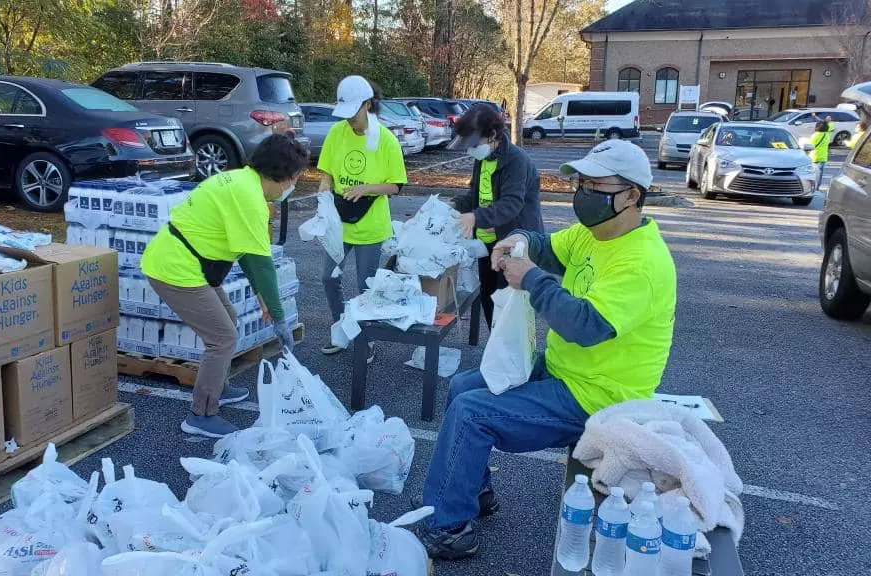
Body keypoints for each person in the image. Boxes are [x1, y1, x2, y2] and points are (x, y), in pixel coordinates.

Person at [414, 140, 677, 560]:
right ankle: (470, 494)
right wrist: (519, 239)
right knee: (463, 386)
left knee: (472, 413)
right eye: (582, 183)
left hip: (600, 396)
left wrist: (532, 278)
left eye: (596, 185)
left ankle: (449, 529)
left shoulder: (643, 262)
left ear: (632, 196)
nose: (583, 193)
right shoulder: (594, 234)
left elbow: (584, 326)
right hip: (564, 371)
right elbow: (548, 246)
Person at [140, 134, 308, 438]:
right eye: (294, 179)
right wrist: (280, 318)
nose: (292, 187)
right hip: (175, 268)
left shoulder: (241, 181)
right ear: (283, 176)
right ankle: (201, 414)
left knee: (228, 322)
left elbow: (245, 250)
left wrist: (262, 295)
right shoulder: (250, 199)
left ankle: (216, 384)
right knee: (223, 337)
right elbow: (261, 262)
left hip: (185, 262)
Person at [317, 75, 407, 360]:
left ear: (368, 105)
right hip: (339, 221)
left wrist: (367, 188)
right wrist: (324, 187)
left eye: (353, 113)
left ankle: (365, 342)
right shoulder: (337, 132)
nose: (349, 121)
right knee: (328, 278)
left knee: (364, 288)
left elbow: (396, 185)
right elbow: (326, 171)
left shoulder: (387, 141)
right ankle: (341, 331)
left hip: (370, 224)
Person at [449, 103, 543, 328]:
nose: (471, 149)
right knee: (489, 299)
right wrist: (453, 205)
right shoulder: (482, 158)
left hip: (515, 243)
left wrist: (474, 218)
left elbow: (511, 203)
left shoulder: (516, 161)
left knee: (510, 306)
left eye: (474, 143)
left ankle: (514, 359)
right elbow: (475, 194)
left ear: (492, 135)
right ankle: (496, 351)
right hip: (488, 244)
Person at [809, 120, 830, 190]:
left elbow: (810, 145)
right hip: (823, 157)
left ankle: (813, 187)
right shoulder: (827, 135)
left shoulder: (815, 135)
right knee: (820, 173)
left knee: (814, 173)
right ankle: (817, 187)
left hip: (815, 156)